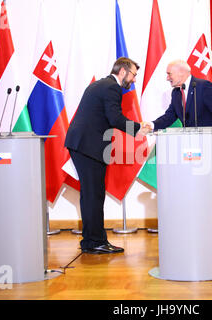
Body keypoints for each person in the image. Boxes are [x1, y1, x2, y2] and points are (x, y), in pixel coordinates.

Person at [65, 57, 151, 254]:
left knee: (90, 194)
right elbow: (115, 118)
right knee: (94, 195)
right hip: (88, 146)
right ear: (122, 72)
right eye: (134, 75)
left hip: (83, 144)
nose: (134, 80)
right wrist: (138, 129)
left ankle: (90, 241)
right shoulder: (112, 87)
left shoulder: (101, 84)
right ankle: (96, 242)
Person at [151, 60, 212, 157]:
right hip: (189, 146)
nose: (167, 78)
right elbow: (169, 116)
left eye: (169, 74)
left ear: (181, 72)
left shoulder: (204, 86)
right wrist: (152, 125)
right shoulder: (176, 92)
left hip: (210, 144)